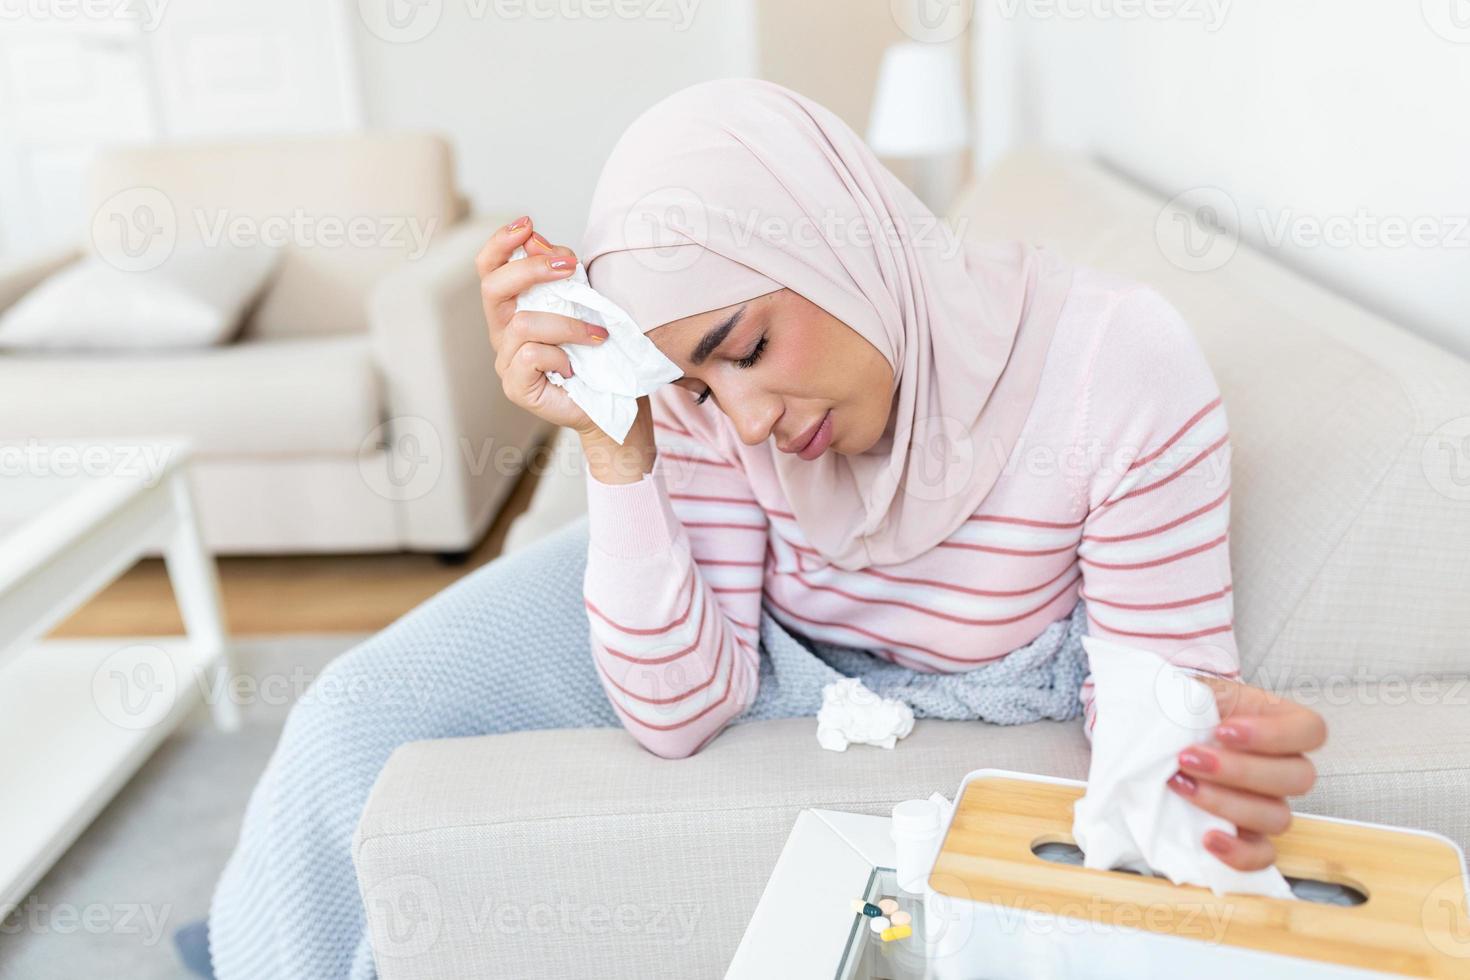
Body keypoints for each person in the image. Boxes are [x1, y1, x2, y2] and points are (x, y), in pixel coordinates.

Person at [189, 78, 1326, 979]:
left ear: (833, 240)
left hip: (865, 678)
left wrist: (1191, 764)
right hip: (730, 622)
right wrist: (621, 448)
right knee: (348, 714)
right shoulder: (706, 416)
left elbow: (1154, 708)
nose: (746, 421)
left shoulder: (1117, 367)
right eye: (692, 384)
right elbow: (679, 705)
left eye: (744, 347)